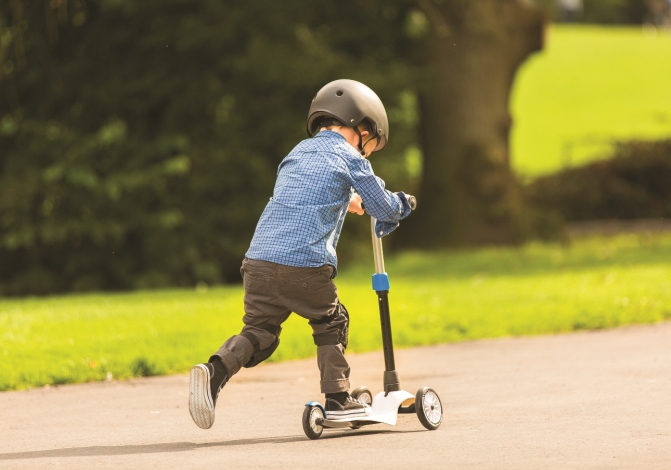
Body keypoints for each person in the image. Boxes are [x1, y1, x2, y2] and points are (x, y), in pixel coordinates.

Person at [188, 79, 415, 430]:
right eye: (370, 142)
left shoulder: (297, 152)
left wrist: (349, 200)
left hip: (259, 262)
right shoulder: (350, 157)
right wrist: (403, 204)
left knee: (260, 331)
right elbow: (383, 207)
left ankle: (214, 371)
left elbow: (308, 194)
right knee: (331, 321)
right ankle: (338, 397)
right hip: (304, 266)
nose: (367, 150)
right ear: (362, 126)